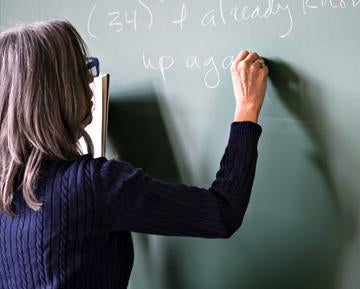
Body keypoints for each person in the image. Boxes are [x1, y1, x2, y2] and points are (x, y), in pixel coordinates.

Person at [0, 19, 268, 289]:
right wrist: (247, 108)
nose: (90, 80)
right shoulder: (95, 185)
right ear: (59, 90)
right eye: (81, 71)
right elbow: (222, 212)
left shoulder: (7, 191)